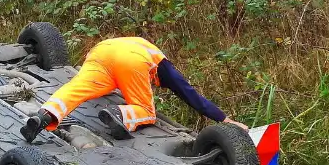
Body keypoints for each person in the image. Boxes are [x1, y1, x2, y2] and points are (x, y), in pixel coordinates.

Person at [21, 36, 248, 142]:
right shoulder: (162, 64)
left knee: (76, 89)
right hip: (132, 60)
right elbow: (189, 93)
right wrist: (224, 120)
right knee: (146, 110)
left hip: (100, 52)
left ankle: (46, 114)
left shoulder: (135, 40)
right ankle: (120, 114)